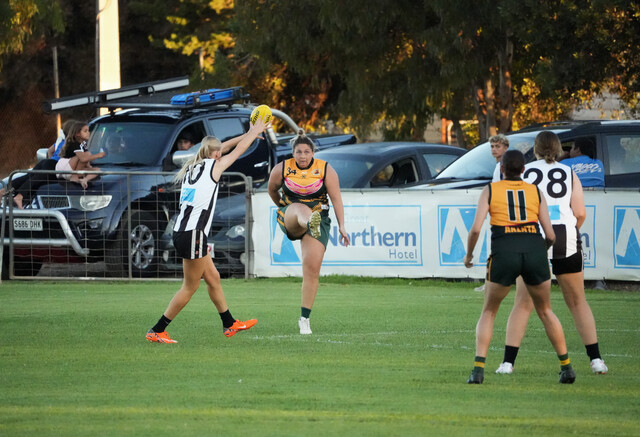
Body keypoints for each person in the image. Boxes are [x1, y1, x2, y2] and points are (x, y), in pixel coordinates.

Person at [146, 117, 269, 343]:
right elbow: (237, 151)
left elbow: (225, 147)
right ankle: (157, 330)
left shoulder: (194, 165)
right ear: (216, 154)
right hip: (192, 233)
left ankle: (229, 324)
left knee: (213, 278)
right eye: (219, 152)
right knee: (189, 287)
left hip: (185, 231)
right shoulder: (214, 166)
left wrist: (248, 134)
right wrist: (253, 134)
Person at [495, 131, 608, 376]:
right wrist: (570, 231)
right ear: (558, 150)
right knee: (577, 302)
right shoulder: (569, 172)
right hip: (565, 237)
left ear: (535, 150)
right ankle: (596, 360)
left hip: (531, 236)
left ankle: (507, 363)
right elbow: (580, 213)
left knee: (523, 304)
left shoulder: (524, 171)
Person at [463, 149, 576, 384]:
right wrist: (538, 252)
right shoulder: (535, 191)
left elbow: (475, 229)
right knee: (545, 311)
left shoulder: (491, 190)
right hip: (534, 249)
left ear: (502, 169)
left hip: (504, 250)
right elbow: (551, 235)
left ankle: (478, 371)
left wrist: (469, 255)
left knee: (489, 311)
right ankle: (566, 367)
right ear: (524, 170)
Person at [267, 131, 351, 335]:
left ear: (313, 152)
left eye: (306, 152)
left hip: (320, 218)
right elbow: (272, 189)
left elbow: (336, 199)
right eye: (298, 152)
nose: (302, 156)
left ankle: (304, 319)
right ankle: (308, 221)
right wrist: (282, 206)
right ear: (293, 153)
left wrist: (342, 226)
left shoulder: (325, 169)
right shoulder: (282, 168)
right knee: (299, 208)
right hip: (291, 215)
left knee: (312, 269)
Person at [8, 119, 78, 208]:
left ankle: (4, 190)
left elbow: (50, 150)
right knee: (37, 180)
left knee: (29, 177)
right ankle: (20, 196)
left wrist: (50, 159)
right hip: (55, 165)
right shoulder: (74, 143)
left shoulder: (61, 141)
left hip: (47, 162)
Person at [475, 134, 510, 292]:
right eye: (492, 146)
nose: (494, 149)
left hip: (503, 213)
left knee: (498, 248)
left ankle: (492, 282)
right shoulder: (499, 165)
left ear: (505, 148)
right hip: (502, 211)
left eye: (497, 146)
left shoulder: (504, 166)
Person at [55, 121, 105, 189]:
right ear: (78, 134)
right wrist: (98, 155)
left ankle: (84, 180)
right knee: (82, 157)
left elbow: (87, 157)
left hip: (74, 169)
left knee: (97, 170)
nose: (88, 133)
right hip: (65, 168)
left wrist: (90, 168)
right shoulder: (75, 143)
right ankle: (75, 176)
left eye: (88, 131)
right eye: (85, 131)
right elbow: (83, 159)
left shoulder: (83, 144)